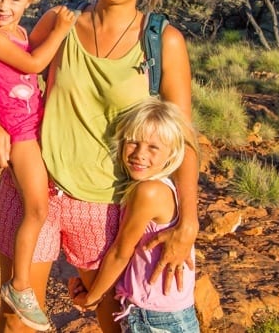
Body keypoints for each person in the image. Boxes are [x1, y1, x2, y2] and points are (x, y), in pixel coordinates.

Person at [0, 0, 199, 332]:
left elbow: (184, 139)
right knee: (17, 320)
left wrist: (188, 221)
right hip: (35, 188)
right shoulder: (59, 23)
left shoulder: (164, 43)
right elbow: (12, 83)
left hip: (106, 204)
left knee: (112, 318)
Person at [0, 0, 76, 331]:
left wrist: (53, 23)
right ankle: (19, 286)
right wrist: (62, 30)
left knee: (39, 203)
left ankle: (19, 284)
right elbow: (33, 64)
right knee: (37, 208)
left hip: (32, 127)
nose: (4, 5)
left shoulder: (17, 33)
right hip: (20, 134)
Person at [71, 98, 200, 332]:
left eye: (153, 147)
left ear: (172, 153)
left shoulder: (148, 192)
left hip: (155, 319)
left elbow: (122, 252)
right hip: (165, 313)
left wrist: (92, 297)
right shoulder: (165, 187)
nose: (139, 154)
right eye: (133, 142)